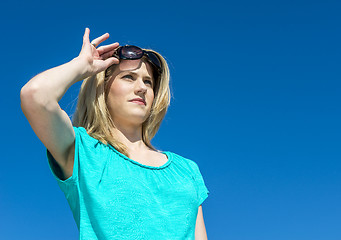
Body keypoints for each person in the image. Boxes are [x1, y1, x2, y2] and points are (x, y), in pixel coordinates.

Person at [20, 28, 210, 240]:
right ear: (102, 89)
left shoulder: (186, 170)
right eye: (129, 77)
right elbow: (35, 95)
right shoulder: (83, 153)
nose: (142, 88)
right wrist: (82, 66)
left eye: (148, 81)